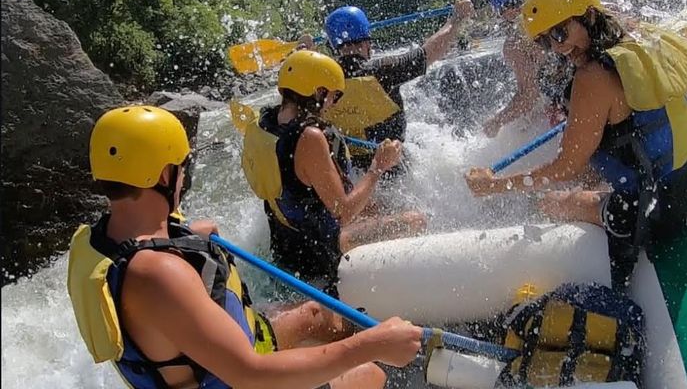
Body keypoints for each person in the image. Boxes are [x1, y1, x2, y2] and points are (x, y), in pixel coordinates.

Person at [67, 105, 423, 389]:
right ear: (164, 176)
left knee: (315, 313)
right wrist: (372, 344)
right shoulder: (159, 274)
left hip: (209, 356)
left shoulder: (100, 237)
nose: (184, 176)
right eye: (182, 167)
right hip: (238, 377)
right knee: (368, 375)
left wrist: (185, 233)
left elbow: (147, 245)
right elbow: (250, 375)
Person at [465, 0, 687, 288]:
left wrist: (494, 186)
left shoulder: (591, 78)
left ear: (589, 14)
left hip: (659, 212)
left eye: (560, 32)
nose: (556, 47)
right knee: (592, 169)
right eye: (544, 40)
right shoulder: (634, 36)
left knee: (552, 202)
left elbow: (565, 165)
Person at [239, 50, 427, 297]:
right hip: (317, 253)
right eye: (334, 95)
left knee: (380, 207)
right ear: (318, 92)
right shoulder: (309, 138)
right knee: (417, 220)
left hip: (286, 241)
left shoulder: (264, 122)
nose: (334, 103)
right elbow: (344, 210)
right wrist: (379, 166)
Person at [308, 0, 474, 174]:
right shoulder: (383, 71)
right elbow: (429, 52)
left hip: (349, 174)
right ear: (367, 42)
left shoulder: (320, 83)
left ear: (334, 45)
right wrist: (457, 19)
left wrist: (304, 48)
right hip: (393, 170)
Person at [482, 0, 574, 138]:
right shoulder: (556, 11)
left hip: (568, 105)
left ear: (500, 11)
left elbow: (529, 96)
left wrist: (497, 121)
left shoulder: (514, 44)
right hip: (591, 83)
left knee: (529, 122)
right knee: (533, 117)